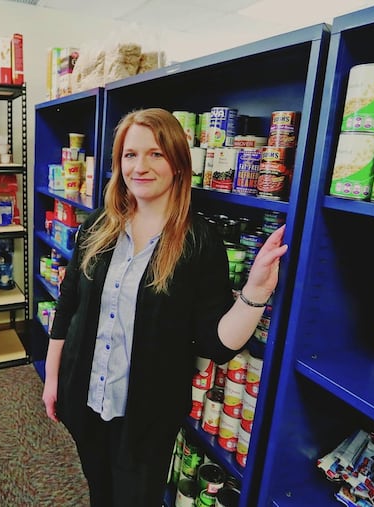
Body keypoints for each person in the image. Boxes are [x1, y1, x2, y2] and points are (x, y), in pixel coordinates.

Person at [41, 108, 288, 507]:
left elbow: (217, 343)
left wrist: (256, 291)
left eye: (155, 154)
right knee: (99, 490)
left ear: (177, 163)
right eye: (130, 155)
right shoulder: (97, 227)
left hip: (147, 418)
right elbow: (68, 308)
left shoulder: (199, 242)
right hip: (83, 397)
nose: (140, 166)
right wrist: (53, 379)